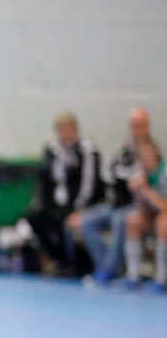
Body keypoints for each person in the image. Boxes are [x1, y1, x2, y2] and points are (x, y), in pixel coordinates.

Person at [24, 111, 102, 277]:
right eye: (61, 129)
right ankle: (58, 260)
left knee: (65, 221)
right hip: (56, 202)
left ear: (75, 129)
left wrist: (79, 209)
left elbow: (89, 184)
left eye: (68, 129)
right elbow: (44, 179)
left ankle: (76, 263)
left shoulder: (87, 150)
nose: (64, 133)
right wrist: (42, 204)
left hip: (78, 203)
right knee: (34, 218)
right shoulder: (51, 148)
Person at [80, 107, 153, 284]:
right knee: (87, 221)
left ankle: (108, 272)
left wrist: (125, 177)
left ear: (147, 126)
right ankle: (105, 267)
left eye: (140, 125)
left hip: (138, 205)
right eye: (134, 125)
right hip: (117, 202)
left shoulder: (152, 150)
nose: (137, 129)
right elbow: (108, 174)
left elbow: (146, 178)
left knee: (120, 220)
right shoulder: (122, 148)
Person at [122, 138, 167, 289]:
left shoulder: (164, 173)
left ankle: (161, 279)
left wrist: (145, 190)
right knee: (133, 220)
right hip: (152, 215)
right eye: (142, 158)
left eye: (149, 156)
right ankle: (133, 277)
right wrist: (137, 191)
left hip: (164, 215)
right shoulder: (140, 175)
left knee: (163, 223)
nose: (146, 161)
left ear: (156, 156)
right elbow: (142, 210)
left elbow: (164, 207)